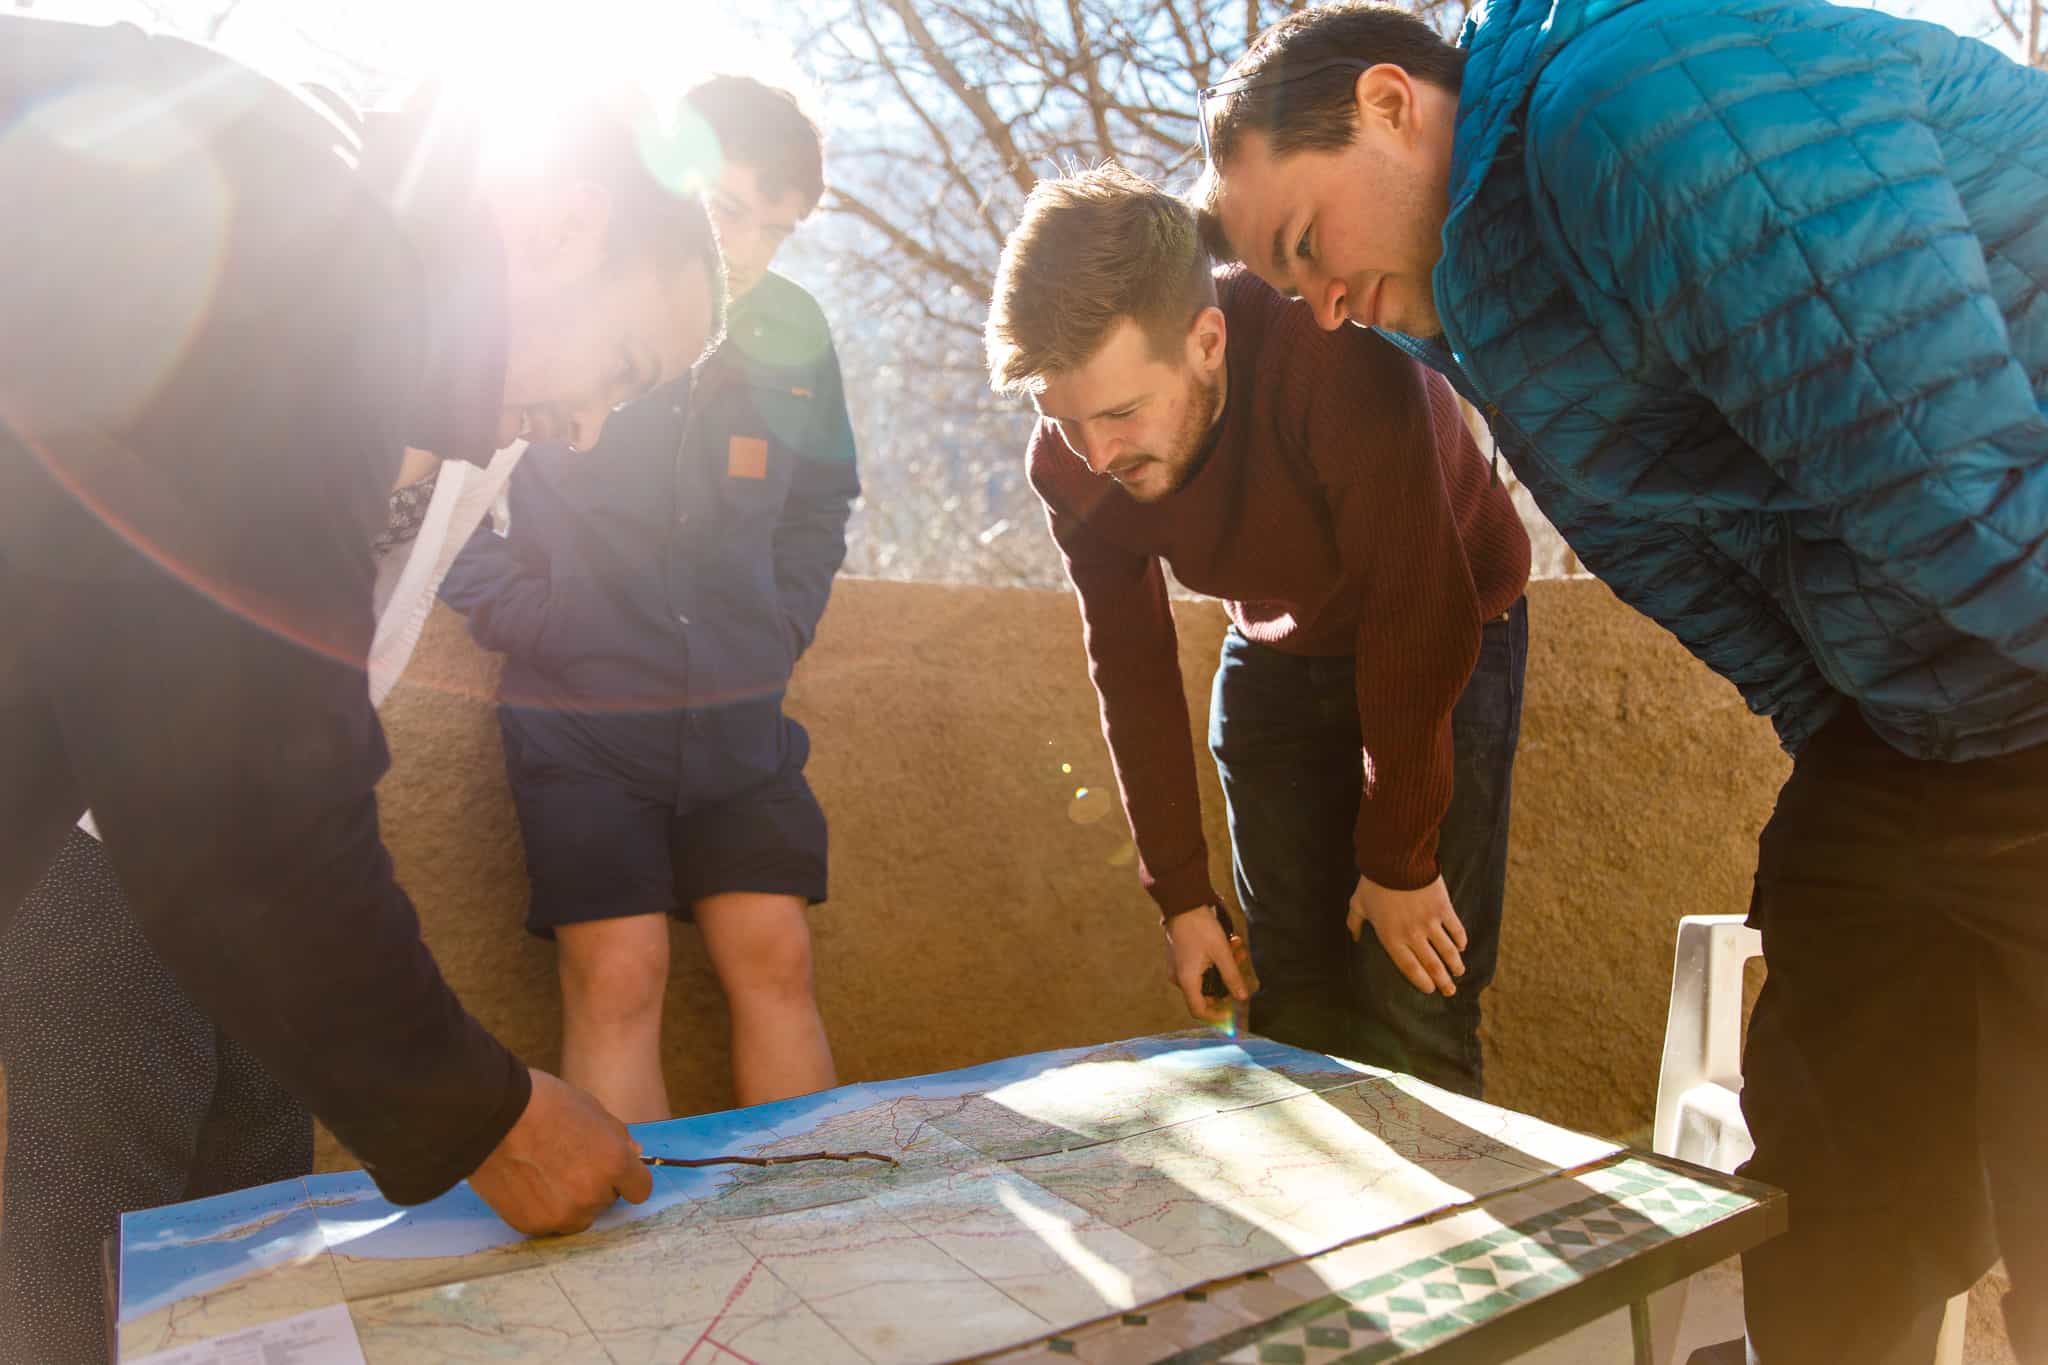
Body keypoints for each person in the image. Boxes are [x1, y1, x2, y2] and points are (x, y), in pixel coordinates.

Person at [1192, 2, 2048, 1360]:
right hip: (1909, 727)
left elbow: (1943, 470)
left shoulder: (1635, 105)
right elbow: (1697, 570)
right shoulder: (1481, 310)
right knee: (1829, 1227)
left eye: (1306, 247)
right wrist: (1841, 737)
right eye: (1291, 292)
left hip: (2021, 650)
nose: (1325, 309)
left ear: (1390, 105)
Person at [0, 16, 724, 1351]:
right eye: (620, 370)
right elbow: (241, 800)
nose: (586, 430)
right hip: (109, 856)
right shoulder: (311, 253)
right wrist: (490, 1118)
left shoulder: (331, 242)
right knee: (85, 1233)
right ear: (564, 224)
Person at [985, 165, 1529, 1097]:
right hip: (1279, 641)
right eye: (1066, 418)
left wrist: (1398, 857)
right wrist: (1180, 895)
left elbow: (1415, 603)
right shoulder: (1071, 462)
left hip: (1448, 618)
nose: (1098, 453)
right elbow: (1130, 664)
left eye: (1121, 412)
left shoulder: (1328, 349)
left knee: (1415, 997)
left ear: (1207, 341)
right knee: (1293, 1005)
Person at [440, 75, 859, 1120]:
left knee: (775, 957)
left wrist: (778, 628)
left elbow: (820, 502)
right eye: (727, 210)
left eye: (775, 228)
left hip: (738, 715)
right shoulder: (580, 304)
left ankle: (810, 1208)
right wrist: (532, 615)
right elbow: (445, 483)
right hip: (581, 716)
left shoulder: (797, 331)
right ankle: (644, 1230)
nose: (746, 248)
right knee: (621, 973)